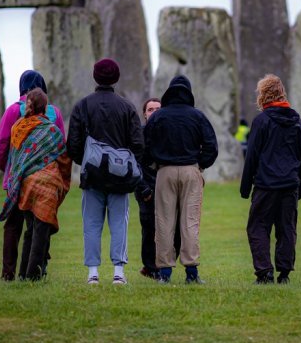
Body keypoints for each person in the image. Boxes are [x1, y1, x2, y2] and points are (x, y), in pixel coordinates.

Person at [67, 58, 144, 285]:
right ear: (116, 78)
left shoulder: (82, 106)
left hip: (92, 175)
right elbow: (138, 144)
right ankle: (118, 272)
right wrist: (127, 163)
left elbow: (73, 143)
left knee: (91, 224)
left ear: (95, 76)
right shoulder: (127, 107)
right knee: (119, 222)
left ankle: (93, 273)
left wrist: (88, 161)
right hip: (120, 175)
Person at [143, 75, 218, 284]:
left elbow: (144, 146)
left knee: (164, 222)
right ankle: (191, 273)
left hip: (164, 171)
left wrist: (153, 163)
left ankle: (164, 273)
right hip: (190, 170)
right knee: (190, 222)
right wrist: (200, 164)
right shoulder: (197, 116)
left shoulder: (158, 116)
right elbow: (212, 146)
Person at [0, 70, 65, 281]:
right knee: (41, 223)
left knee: (13, 225)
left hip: (18, 178)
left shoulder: (13, 112)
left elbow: (1, 145)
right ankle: (38, 267)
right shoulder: (54, 113)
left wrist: (6, 170)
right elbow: (60, 147)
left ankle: (8, 273)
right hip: (46, 179)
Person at [240, 74, 301, 284]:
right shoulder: (296, 120)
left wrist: (245, 187)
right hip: (290, 184)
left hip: (265, 184)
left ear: (263, 95)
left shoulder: (261, 121)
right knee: (286, 228)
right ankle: (284, 272)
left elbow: (252, 155)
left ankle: (264, 271)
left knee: (258, 226)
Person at [136, 96, 181, 279]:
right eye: (150, 110)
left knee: (175, 226)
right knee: (149, 227)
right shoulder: (139, 135)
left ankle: (166, 260)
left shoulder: (170, 132)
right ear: (145, 114)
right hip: (146, 185)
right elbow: (134, 163)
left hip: (168, 185)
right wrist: (143, 188)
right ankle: (150, 267)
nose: (154, 112)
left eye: (157, 109)